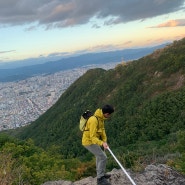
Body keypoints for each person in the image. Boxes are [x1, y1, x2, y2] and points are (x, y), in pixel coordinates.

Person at [82, 104, 114, 185]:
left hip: (93, 141)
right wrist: (101, 143)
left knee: (99, 156)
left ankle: (101, 174)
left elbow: (102, 130)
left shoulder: (101, 118)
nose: (109, 116)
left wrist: (104, 141)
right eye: (109, 115)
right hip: (88, 142)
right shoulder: (94, 120)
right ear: (106, 113)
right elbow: (92, 137)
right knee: (103, 157)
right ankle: (100, 179)